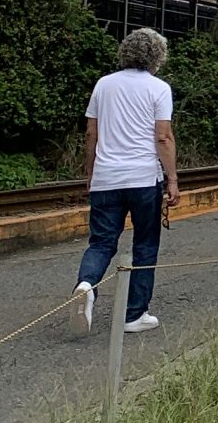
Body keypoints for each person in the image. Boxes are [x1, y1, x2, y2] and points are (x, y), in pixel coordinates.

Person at [74, 27, 180, 335]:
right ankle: (134, 315)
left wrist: (91, 174)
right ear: (157, 56)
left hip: (106, 179)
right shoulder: (159, 89)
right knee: (145, 243)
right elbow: (162, 137)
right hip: (143, 179)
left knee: (102, 242)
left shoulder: (103, 85)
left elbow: (91, 134)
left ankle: (86, 286)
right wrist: (172, 179)